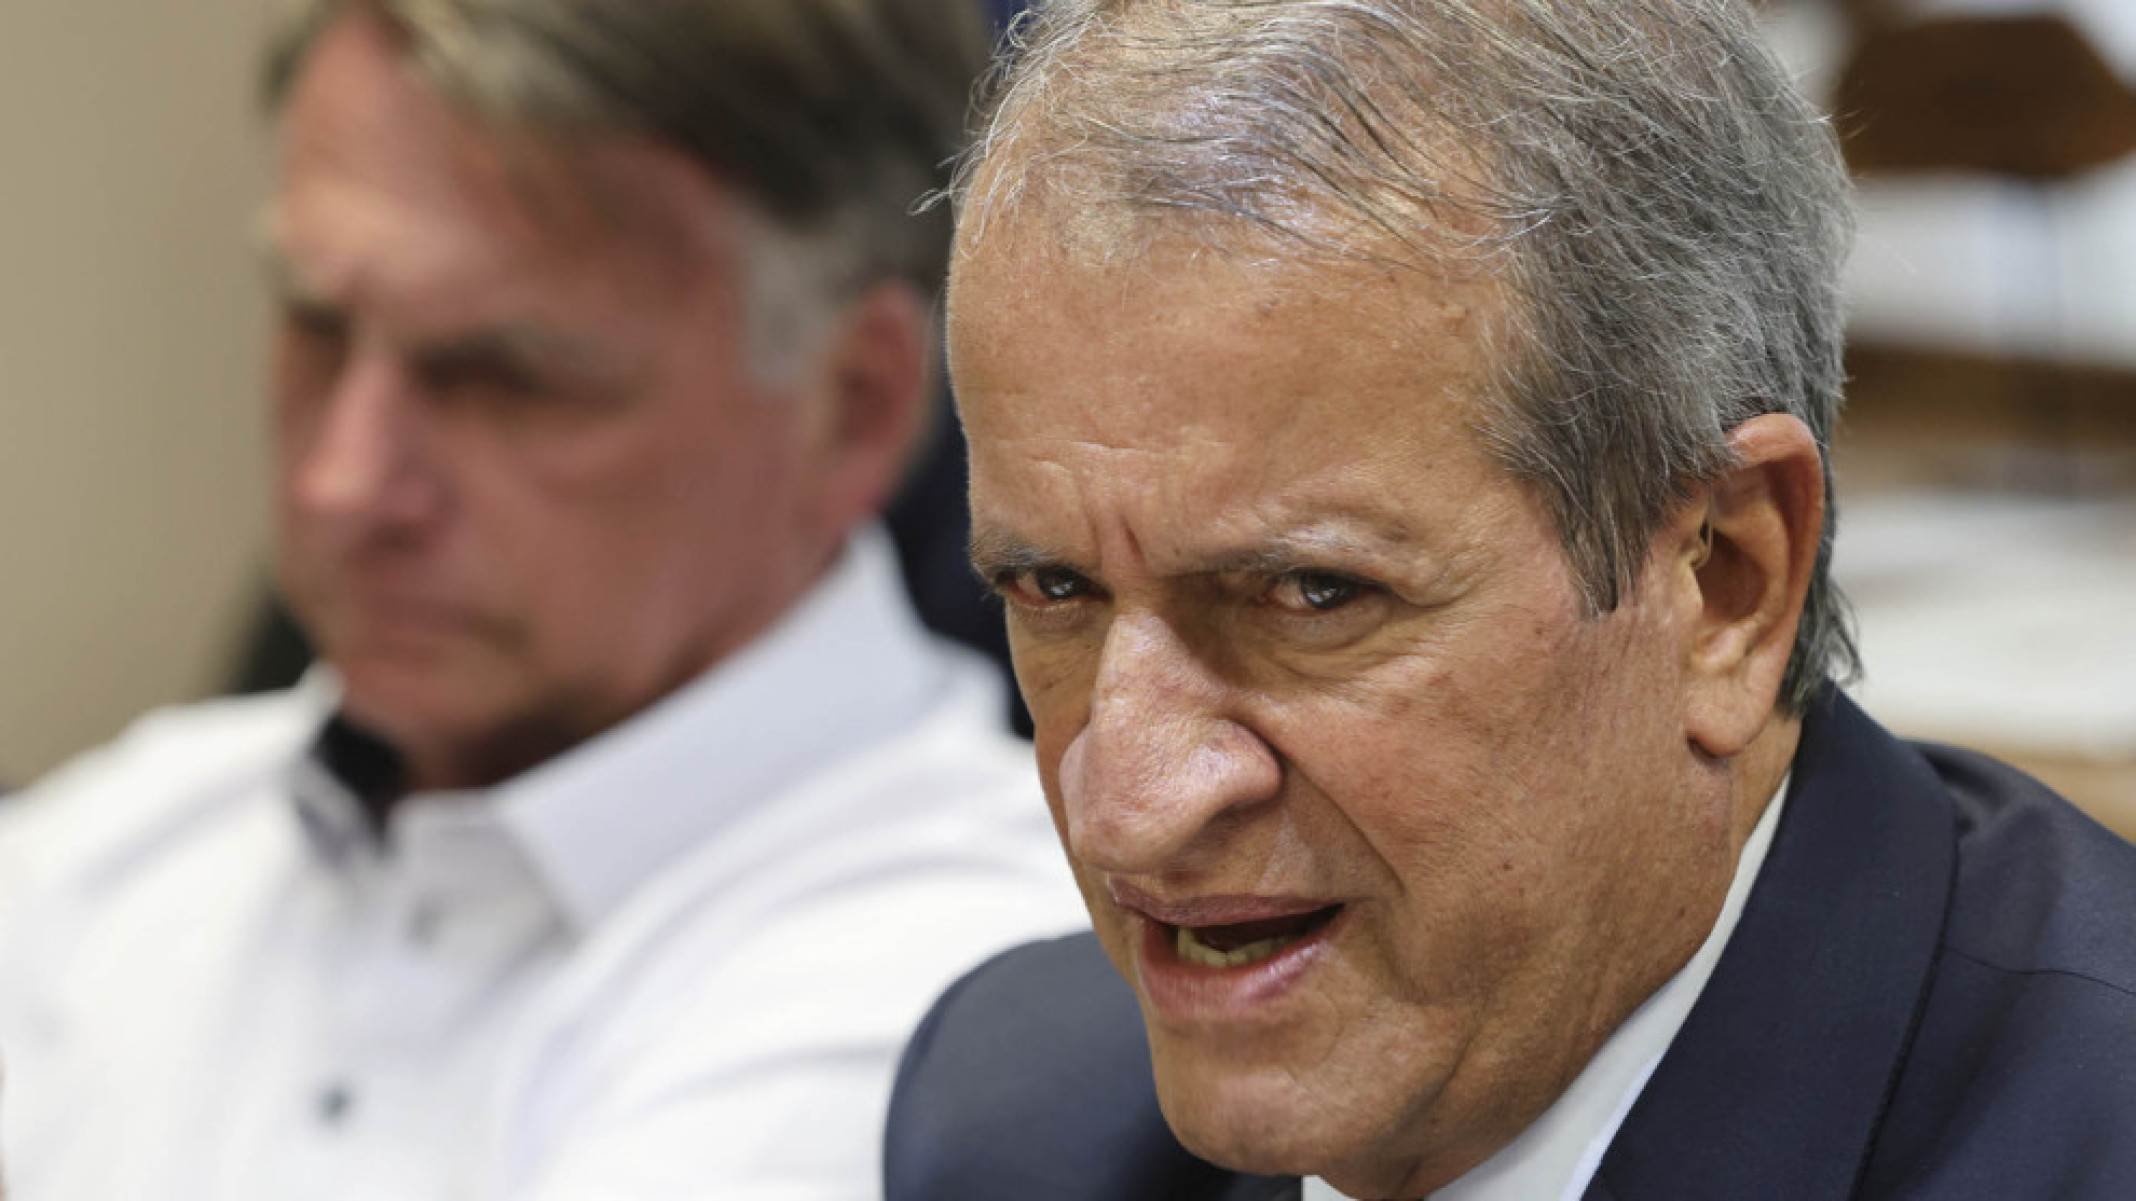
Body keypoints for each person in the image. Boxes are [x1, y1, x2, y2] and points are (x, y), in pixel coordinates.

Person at [883, 1, 2136, 1198]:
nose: (1129, 812)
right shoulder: (1021, 1126)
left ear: (1725, 586)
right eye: (1052, 586)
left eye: (1312, 594)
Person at [0, 1, 1082, 1197]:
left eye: (506, 376)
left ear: (856, 403)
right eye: (315, 324)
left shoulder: (990, 984)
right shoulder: (111, 848)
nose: (343, 483)